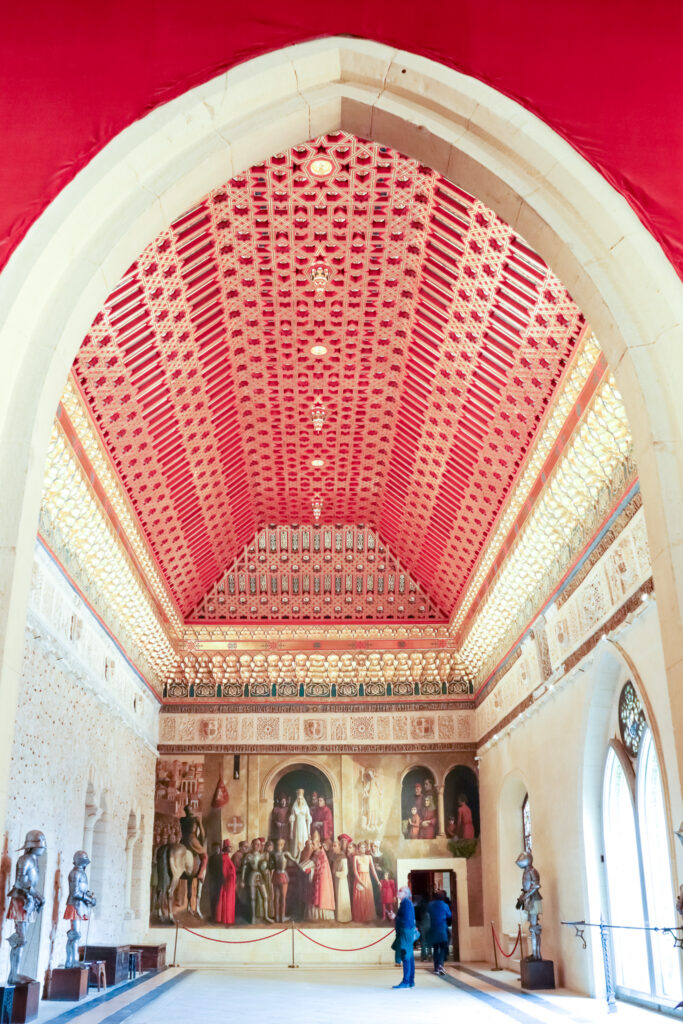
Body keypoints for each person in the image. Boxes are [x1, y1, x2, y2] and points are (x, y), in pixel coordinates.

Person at [389, 886, 416, 989]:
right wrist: (395, 917)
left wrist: (395, 917)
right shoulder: (405, 903)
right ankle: (410, 981)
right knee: (409, 957)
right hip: (405, 932)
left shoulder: (406, 904)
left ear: (405, 893)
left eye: (400, 891)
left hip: (405, 933)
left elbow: (407, 921)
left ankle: (406, 982)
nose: (398, 892)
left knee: (406, 956)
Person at [351, 840, 379, 923]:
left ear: (365, 848)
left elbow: (373, 870)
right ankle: (360, 918)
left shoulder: (369, 857)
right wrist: (361, 882)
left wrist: (378, 881)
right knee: (359, 898)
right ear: (358, 849)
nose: (362, 849)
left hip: (367, 878)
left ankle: (367, 918)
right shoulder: (355, 857)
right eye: (361, 847)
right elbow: (355, 871)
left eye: (363, 847)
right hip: (359, 879)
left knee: (368, 898)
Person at [427, 890, 452, 975]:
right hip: (442, 929)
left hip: (433, 928)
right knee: (442, 948)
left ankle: (436, 967)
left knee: (436, 948)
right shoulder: (444, 905)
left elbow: (428, 914)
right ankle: (441, 965)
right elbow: (449, 915)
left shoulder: (430, 905)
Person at [215, 839, 236, 925]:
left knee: (229, 900)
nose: (230, 849)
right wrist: (225, 881)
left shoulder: (227, 857)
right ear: (226, 848)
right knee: (227, 900)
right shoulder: (224, 858)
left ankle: (228, 919)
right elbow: (224, 871)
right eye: (229, 847)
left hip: (230, 882)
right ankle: (226, 919)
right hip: (227, 883)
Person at [331, 840, 352, 923]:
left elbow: (345, 872)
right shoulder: (335, 856)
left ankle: (344, 918)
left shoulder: (343, 857)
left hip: (342, 881)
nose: (333, 847)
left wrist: (335, 873)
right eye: (332, 846)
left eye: (335, 846)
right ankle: (339, 917)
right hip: (336, 880)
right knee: (338, 898)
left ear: (339, 846)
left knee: (342, 898)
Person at [289, 789, 312, 857]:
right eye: (298, 799)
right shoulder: (294, 807)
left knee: (304, 840)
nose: (300, 800)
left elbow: (308, 820)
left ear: (303, 799)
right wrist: (291, 831)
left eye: (301, 799)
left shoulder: (306, 808)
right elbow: (292, 820)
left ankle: (304, 857)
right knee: (297, 841)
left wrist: (308, 832)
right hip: (297, 828)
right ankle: (297, 857)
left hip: (304, 828)